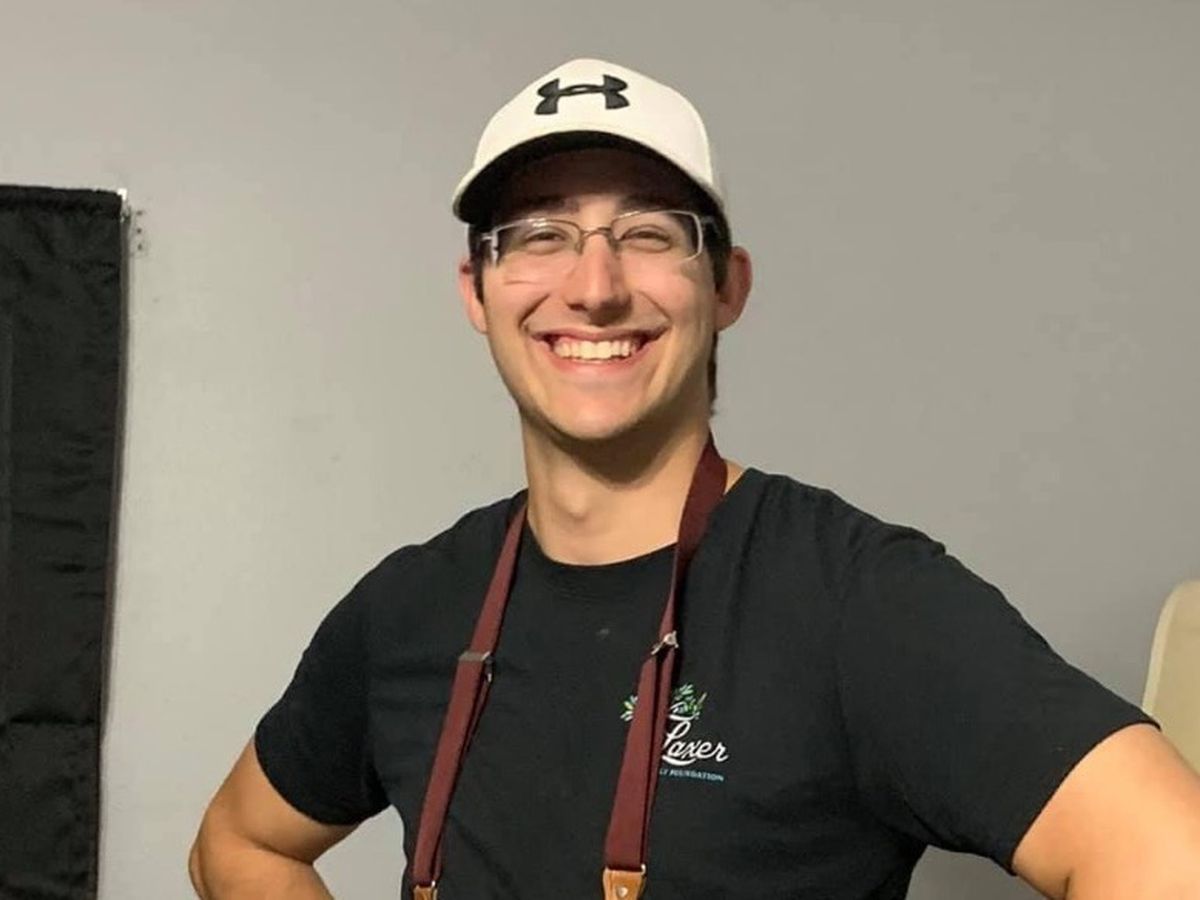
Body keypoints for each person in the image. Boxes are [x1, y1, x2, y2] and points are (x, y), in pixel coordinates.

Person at [189, 58, 1200, 900]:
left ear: (726, 288)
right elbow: (239, 845)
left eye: (649, 233)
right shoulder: (408, 609)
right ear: (478, 292)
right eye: (538, 234)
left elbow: (1169, 859)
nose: (593, 287)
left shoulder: (854, 599)